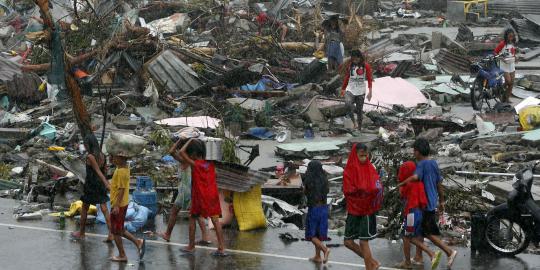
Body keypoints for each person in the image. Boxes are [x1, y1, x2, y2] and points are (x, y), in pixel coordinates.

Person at [398, 138, 458, 268]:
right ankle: (419, 257)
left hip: (422, 203)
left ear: (418, 152)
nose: (414, 154)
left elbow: (415, 177)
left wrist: (402, 182)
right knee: (421, 232)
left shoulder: (421, 164)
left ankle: (448, 251)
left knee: (424, 233)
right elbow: (439, 183)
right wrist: (442, 201)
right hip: (432, 201)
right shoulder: (434, 163)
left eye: (414, 151)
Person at [179, 138, 226, 256]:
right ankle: (221, 248)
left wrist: (190, 140)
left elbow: (181, 152)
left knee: (192, 218)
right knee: (216, 221)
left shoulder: (195, 164)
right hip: (212, 195)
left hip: (200, 196)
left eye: (191, 153)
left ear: (194, 154)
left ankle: (191, 246)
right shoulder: (210, 165)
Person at [158, 138, 210, 244]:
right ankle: (204, 237)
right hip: (193, 190)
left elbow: (172, 151)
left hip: (185, 191)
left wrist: (182, 140)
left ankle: (168, 234)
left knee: (175, 212)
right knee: (197, 215)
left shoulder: (186, 161)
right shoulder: (199, 162)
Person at [343, 144, 383, 270]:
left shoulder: (370, 168)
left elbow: (376, 186)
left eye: (366, 156)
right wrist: (361, 189)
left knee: (363, 241)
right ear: (355, 155)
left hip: (367, 209)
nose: (364, 158)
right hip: (354, 208)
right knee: (348, 242)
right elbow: (348, 189)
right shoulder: (349, 170)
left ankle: (369, 267)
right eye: (361, 156)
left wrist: (365, 190)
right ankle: (373, 262)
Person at [395, 161, 442, 269]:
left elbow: (402, 196)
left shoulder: (408, 184)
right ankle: (419, 257)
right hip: (421, 213)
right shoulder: (420, 183)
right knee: (417, 235)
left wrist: (400, 184)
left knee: (406, 237)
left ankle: (428, 254)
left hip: (412, 213)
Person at [71, 134, 113, 242]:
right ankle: (111, 234)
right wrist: (105, 182)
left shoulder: (90, 157)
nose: (84, 146)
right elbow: (104, 171)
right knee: (104, 208)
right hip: (99, 184)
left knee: (85, 208)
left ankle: (81, 233)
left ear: (89, 144)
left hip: (91, 185)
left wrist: (107, 183)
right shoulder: (103, 155)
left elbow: (97, 171)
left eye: (85, 144)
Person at [109, 155, 146, 262]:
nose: (113, 159)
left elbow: (121, 190)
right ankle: (138, 242)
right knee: (119, 229)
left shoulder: (121, 171)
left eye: (115, 157)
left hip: (118, 205)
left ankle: (122, 255)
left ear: (121, 159)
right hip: (123, 203)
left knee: (115, 231)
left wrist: (116, 205)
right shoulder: (125, 167)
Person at [302, 160, 331, 264]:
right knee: (318, 234)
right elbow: (327, 191)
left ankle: (325, 250)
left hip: (314, 209)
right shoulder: (324, 179)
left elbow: (305, 192)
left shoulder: (309, 179)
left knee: (311, 235)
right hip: (324, 209)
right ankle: (317, 256)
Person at [341, 50, 374, 130]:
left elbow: (369, 79)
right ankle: (354, 122)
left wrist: (370, 92)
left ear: (360, 57)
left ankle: (359, 127)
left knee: (359, 111)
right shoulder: (350, 66)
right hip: (350, 89)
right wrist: (343, 88)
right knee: (348, 104)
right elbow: (347, 77)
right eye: (353, 59)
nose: (355, 60)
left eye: (356, 59)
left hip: (360, 90)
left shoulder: (366, 66)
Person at [494, 28, 518, 103]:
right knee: (508, 81)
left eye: (512, 36)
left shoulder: (513, 43)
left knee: (512, 83)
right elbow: (495, 52)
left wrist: (516, 57)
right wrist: (501, 58)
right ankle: (499, 90)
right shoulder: (502, 44)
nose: (511, 38)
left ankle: (506, 98)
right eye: (509, 36)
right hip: (504, 65)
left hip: (511, 64)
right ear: (506, 36)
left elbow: (513, 53)